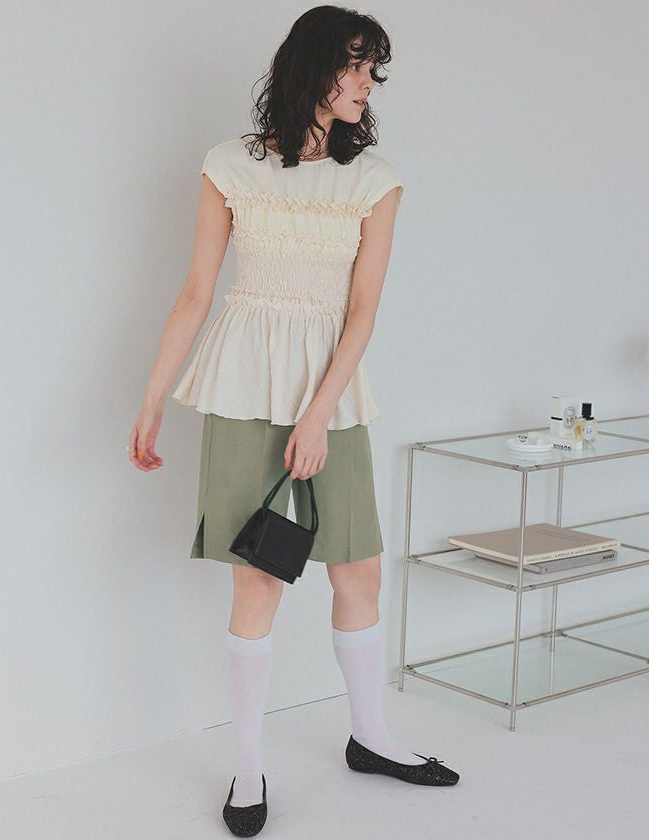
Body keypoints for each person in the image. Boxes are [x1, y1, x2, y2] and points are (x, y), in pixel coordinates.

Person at [127, 6, 459, 836]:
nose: (367, 83)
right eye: (355, 64)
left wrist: (317, 416)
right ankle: (247, 772)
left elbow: (362, 314)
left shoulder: (373, 180)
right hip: (245, 387)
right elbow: (196, 292)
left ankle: (370, 737)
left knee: (360, 571)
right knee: (259, 579)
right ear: (312, 66)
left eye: (374, 70)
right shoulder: (229, 166)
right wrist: (153, 395)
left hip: (331, 393)